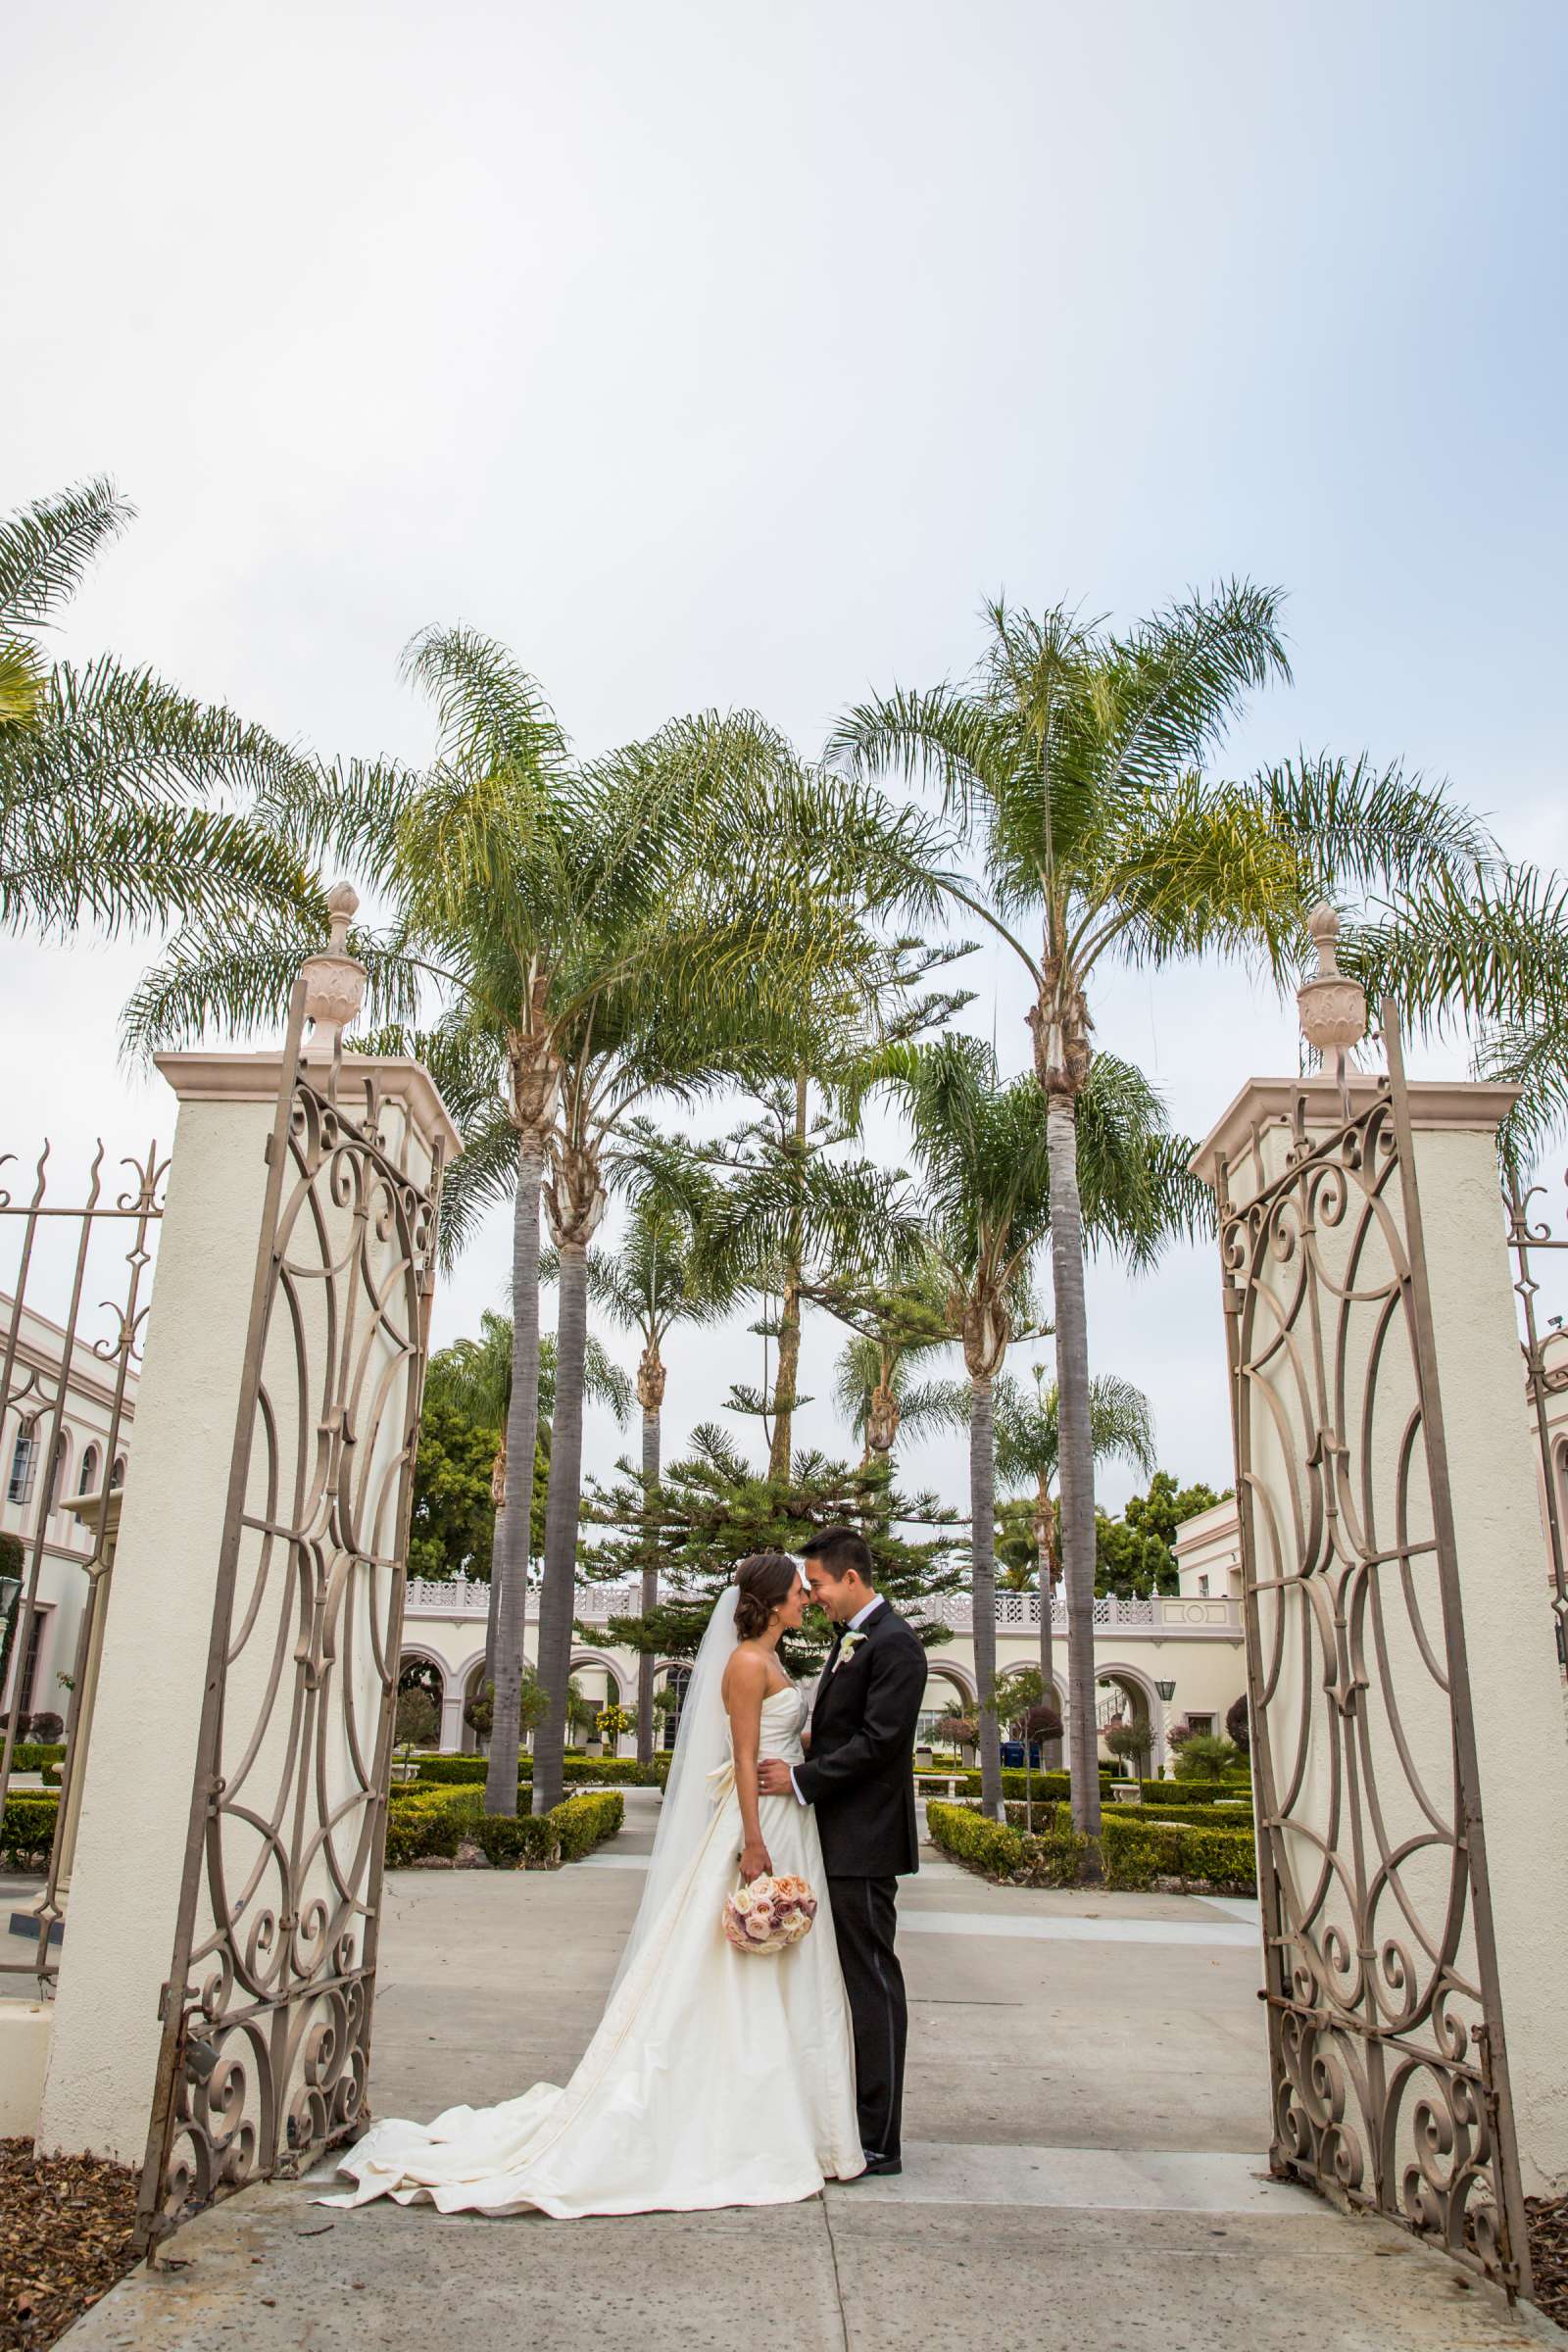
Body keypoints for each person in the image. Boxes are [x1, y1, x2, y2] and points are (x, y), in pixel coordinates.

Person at [321, 1551, 864, 2219]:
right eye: (796, 1591)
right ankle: (748, 2120)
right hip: (760, 1825)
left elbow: (780, 1744)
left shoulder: (772, 1660)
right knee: (730, 1975)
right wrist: (754, 1841)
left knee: (778, 1978)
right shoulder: (748, 1664)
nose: (806, 1598)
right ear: (771, 1599)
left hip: (790, 1818)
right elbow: (744, 1758)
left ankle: (799, 2119)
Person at [758, 1523, 926, 2177]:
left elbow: (881, 1742)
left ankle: (881, 2137)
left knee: (872, 1982)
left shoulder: (896, 1645)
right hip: (834, 1835)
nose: (815, 1595)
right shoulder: (854, 1641)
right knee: (848, 1982)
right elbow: (841, 1731)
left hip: (864, 1843)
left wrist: (801, 1779)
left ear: (851, 1578)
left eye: (820, 1584)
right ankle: (850, 2121)